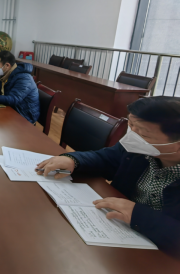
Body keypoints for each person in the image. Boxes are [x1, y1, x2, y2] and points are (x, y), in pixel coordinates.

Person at [36, 97, 180, 256]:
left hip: (161, 253)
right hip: (116, 233)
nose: (132, 136)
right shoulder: (138, 150)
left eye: (143, 133)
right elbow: (105, 158)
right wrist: (73, 160)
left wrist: (139, 215)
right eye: (131, 125)